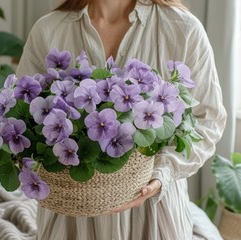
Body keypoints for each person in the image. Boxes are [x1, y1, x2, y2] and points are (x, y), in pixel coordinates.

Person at [16, 0, 227, 239]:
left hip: (154, 214)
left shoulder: (183, 28)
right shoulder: (48, 30)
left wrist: (162, 174)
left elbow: (208, 120)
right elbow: (19, 119)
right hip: (71, 217)